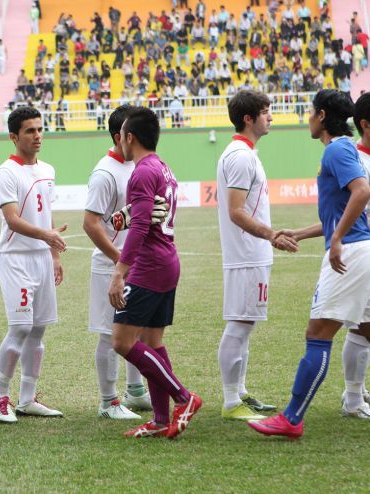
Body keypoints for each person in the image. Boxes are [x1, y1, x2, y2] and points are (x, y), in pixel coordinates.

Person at [249, 90, 370, 439]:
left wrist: (337, 239)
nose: (308, 119)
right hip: (359, 248)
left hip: (351, 253)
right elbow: (342, 210)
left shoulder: (337, 149)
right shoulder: (345, 148)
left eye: (310, 113)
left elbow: (362, 192)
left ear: (321, 116)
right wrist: (301, 233)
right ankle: (342, 402)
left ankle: (292, 418)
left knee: (317, 335)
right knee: (365, 330)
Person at [108, 107, 202, 439]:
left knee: (122, 341)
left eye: (121, 135)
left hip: (149, 265)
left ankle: (184, 398)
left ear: (129, 137)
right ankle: (161, 419)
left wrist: (119, 272)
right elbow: (145, 215)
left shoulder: (141, 172)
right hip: (166, 260)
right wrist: (128, 214)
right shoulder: (162, 167)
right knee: (152, 341)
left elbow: (140, 226)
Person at [216, 91, 298, 421]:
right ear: (248, 118)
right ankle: (230, 401)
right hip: (246, 254)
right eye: (265, 112)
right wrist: (271, 234)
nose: (271, 117)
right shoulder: (239, 156)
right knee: (239, 323)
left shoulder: (247, 153)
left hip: (253, 254)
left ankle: (240, 392)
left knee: (246, 323)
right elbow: (236, 211)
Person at [0, 107, 66, 423]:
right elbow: (12, 219)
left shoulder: (47, 170)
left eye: (39, 129)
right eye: (29, 131)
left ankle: (27, 399)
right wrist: (46, 236)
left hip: (41, 258)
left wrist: (54, 254)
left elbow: (46, 215)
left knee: (38, 330)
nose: (37, 136)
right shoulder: (6, 173)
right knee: (20, 327)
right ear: (14, 136)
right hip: (16, 258)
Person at [82, 106, 153, 421]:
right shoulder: (105, 173)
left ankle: (135, 391)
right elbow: (90, 224)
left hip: (134, 264)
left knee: (134, 328)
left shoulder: (137, 165)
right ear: (119, 136)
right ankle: (108, 401)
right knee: (108, 333)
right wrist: (119, 260)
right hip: (110, 266)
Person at [340, 92, 370, 417]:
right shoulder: (356, 162)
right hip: (361, 250)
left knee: (364, 326)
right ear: (365, 125)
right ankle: (352, 399)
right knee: (362, 326)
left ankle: (356, 392)